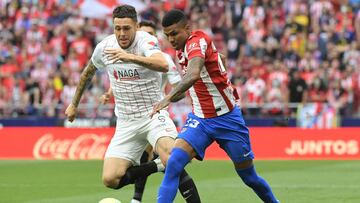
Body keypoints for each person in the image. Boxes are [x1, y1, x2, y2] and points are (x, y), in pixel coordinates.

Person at [65, 5, 200, 203]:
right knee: (110, 179)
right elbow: (88, 72)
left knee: (173, 160)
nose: (122, 33)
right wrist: (74, 104)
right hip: (126, 122)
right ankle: (157, 166)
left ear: (136, 26)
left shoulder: (147, 41)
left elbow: (162, 64)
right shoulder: (104, 47)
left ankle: (157, 174)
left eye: (126, 28)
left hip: (153, 116)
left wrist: (130, 57)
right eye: (117, 28)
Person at [151, 9, 279, 203]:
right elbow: (218, 59)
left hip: (228, 120)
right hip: (200, 120)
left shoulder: (196, 41)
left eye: (175, 33)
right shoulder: (183, 49)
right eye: (167, 35)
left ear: (187, 28)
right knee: (174, 163)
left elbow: (193, 75)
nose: (171, 39)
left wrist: (167, 98)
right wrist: (219, 62)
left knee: (249, 177)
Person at [99, 20, 182, 203]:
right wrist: (108, 93)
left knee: (172, 162)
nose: (147, 38)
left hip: (155, 115)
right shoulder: (124, 54)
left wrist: (165, 100)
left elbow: (178, 86)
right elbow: (118, 80)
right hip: (131, 119)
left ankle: (137, 198)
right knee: (149, 160)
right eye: (144, 33)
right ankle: (138, 198)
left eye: (151, 34)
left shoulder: (163, 59)